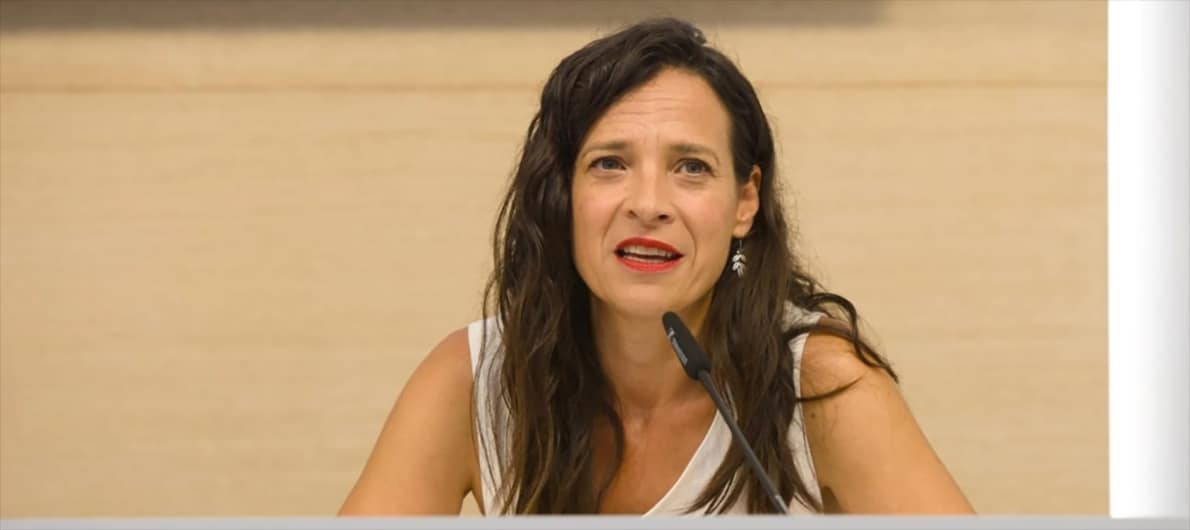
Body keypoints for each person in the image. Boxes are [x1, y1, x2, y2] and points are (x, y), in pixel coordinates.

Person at [339, 18, 974, 516]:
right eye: (610, 164)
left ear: (744, 202)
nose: (648, 204)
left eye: (691, 167)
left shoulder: (821, 386)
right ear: (562, 196)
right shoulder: (474, 381)